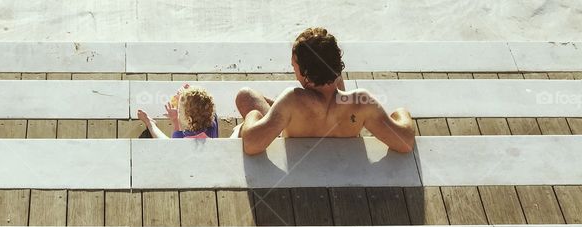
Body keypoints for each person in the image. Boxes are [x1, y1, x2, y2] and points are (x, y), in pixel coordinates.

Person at [235, 27, 415, 155]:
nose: (294, 72)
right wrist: (402, 113)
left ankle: (271, 112)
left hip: (296, 137)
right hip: (342, 122)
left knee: (245, 96)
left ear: (305, 75)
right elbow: (405, 143)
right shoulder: (361, 101)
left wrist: (253, 116)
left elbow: (251, 144)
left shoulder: (292, 99)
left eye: (294, 67)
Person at [138, 84, 219, 139]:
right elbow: (204, 104)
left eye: (179, 111)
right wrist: (188, 94)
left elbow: (173, 143)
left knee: (163, 140)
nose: (178, 112)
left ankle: (150, 124)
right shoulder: (212, 127)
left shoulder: (180, 138)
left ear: (189, 120)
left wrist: (175, 121)